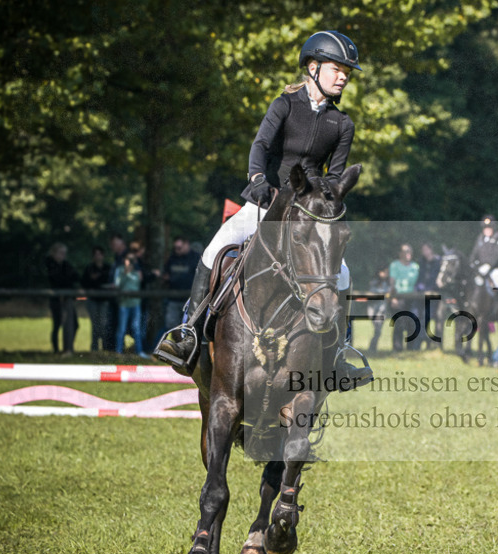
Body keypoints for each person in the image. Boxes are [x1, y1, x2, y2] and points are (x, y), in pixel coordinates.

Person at [154, 31, 371, 390]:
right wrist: (257, 179)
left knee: (343, 274)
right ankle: (188, 331)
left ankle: (339, 352)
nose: (344, 77)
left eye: (347, 72)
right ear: (313, 68)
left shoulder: (342, 124)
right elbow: (260, 146)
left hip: (305, 214)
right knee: (214, 249)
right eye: (337, 69)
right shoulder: (284, 106)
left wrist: (325, 201)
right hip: (264, 204)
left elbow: (334, 178)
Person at [44, 242, 79, 355]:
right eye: (61, 253)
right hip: (56, 299)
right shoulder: (50, 265)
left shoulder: (66, 265)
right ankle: (56, 350)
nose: (63, 255)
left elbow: (75, 276)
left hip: (67, 298)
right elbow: (58, 280)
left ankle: (68, 347)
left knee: (74, 324)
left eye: (64, 253)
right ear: (54, 253)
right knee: (57, 324)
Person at [161, 236, 201, 331]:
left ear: (186, 244)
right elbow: (166, 274)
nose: (177, 250)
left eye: (179, 248)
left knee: (190, 326)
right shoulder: (172, 258)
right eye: (175, 248)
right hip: (173, 299)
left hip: (190, 300)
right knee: (171, 326)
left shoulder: (196, 258)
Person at [114, 254, 147, 357]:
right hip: (124, 303)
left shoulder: (137, 272)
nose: (130, 263)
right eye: (129, 260)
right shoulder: (119, 270)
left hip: (135, 303)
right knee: (122, 328)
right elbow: (117, 285)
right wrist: (125, 273)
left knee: (136, 328)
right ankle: (118, 351)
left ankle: (139, 351)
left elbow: (138, 284)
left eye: (132, 261)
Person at [81, 245, 112, 352]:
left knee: (103, 324)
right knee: (95, 324)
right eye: (96, 254)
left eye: (99, 254)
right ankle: (94, 347)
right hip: (93, 300)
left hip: (104, 300)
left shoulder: (108, 268)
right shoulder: (89, 268)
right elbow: (84, 283)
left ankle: (104, 347)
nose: (98, 256)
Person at [389, 244, 420, 351]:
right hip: (398, 296)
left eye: (410, 251)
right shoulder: (395, 265)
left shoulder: (415, 266)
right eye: (406, 251)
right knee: (399, 323)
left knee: (412, 322)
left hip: (412, 298)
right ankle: (397, 348)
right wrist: (393, 298)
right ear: (400, 253)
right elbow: (392, 283)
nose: (408, 253)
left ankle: (411, 348)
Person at [469, 215, 498, 290]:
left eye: (489, 228)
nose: (487, 230)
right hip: (480, 267)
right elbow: (474, 252)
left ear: (493, 228)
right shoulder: (480, 238)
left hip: (496, 268)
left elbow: (497, 254)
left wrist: (489, 265)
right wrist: (471, 262)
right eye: (485, 228)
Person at [414, 243, 441, 349]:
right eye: (423, 250)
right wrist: (418, 286)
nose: (424, 252)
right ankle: (423, 339)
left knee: (426, 317)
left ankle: (420, 342)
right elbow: (420, 277)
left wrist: (431, 287)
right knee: (415, 315)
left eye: (426, 249)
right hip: (420, 294)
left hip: (432, 295)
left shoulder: (438, 262)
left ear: (431, 249)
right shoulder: (421, 262)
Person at [366, 265, 391, 353]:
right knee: (377, 328)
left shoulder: (388, 283)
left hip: (382, 309)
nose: (386, 274)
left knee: (378, 330)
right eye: (385, 272)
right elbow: (372, 292)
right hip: (373, 309)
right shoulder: (374, 282)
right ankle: (372, 347)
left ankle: (373, 347)